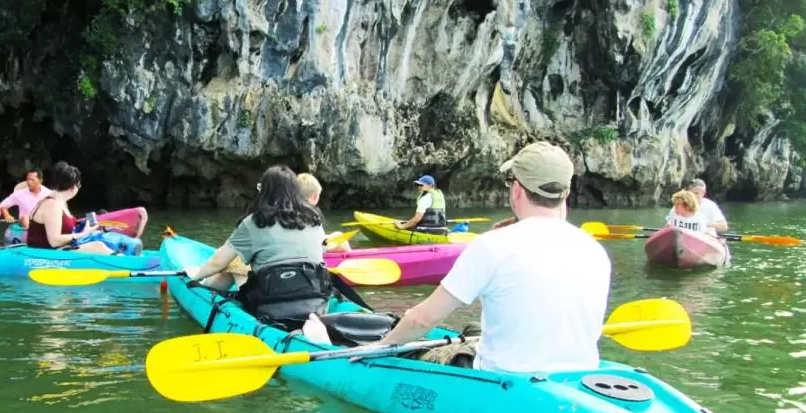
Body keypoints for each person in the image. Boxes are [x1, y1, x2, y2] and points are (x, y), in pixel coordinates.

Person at [366, 141, 611, 374]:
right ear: (565, 192)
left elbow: (421, 320)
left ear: (516, 190)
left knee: (415, 352)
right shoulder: (595, 251)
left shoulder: (492, 246)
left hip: (503, 378)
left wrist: (378, 348)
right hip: (578, 374)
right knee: (474, 330)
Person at [185, 165, 333, 334]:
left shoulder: (255, 221)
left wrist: (194, 276)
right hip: (317, 304)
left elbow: (218, 262)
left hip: (270, 308)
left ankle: (205, 288)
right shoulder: (314, 219)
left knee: (234, 265)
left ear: (265, 191)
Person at [26, 161, 112, 254]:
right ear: (74, 187)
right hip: (47, 253)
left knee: (102, 239)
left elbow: (69, 228)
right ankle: (127, 264)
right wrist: (83, 234)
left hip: (60, 248)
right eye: (79, 185)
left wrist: (98, 228)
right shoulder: (52, 204)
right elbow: (54, 241)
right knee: (98, 247)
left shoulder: (60, 201)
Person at [296, 172, 353, 252]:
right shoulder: (311, 214)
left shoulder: (287, 212)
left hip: (296, 248)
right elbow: (321, 243)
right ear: (315, 196)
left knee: (334, 235)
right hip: (313, 249)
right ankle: (351, 256)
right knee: (341, 239)